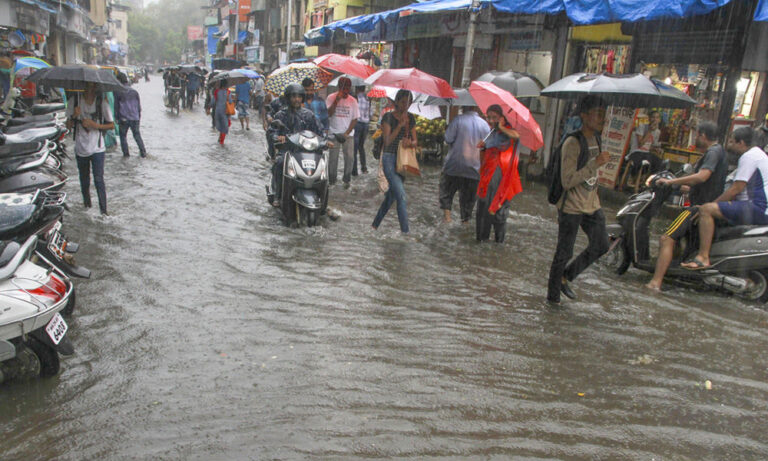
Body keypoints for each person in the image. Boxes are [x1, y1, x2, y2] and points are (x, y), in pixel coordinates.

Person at [645, 121, 727, 290]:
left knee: (666, 238)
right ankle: (669, 274)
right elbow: (705, 182)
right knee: (676, 241)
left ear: (703, 135)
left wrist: (671, 181)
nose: (696, 138)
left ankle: (655, 282)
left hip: (697, 208)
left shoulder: (712, 152)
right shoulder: (719, 151)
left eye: (697, 134)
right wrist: (679, 186)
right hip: (704, 205)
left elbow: (702, 176)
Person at [546, 96, 611, 304]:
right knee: (564, 252)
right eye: (598, 113)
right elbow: (567, 180)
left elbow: (592, 177)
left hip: (591, 205)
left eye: (604, 114)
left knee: (601, 244)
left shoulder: (597, 139)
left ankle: (567, 276)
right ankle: (552, 299)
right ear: (584, 115)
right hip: (571, 207)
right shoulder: (573, 143)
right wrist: (595, 164)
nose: (602, 118)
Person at [681, 127, 768, 270]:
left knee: (707, 210)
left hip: (757, 207)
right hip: (758, 207)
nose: (729, 145)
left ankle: (703, 257)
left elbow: (736, 188)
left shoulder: (749, 157)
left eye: (732, 141)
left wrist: (712, 204)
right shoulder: (760, 155)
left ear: (741, 143)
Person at [267, 84, 323, 206]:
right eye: (293, 96)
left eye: (299, 96)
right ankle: (277, 194)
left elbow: (320, 132)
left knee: (321, 166)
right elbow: (272, 132)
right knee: (279, 163)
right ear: (288, 98)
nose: (296, 99)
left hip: (306, 152)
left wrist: (326, 141)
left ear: (302, 98)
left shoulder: (309, 115)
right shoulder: (280, 115)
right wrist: (278, 137)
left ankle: (322, 198)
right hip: (287, 151)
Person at [65, 82, 115, 215]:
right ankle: (87, 206)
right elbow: (67, 127)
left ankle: (104, 212)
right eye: (88, 86)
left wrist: (94, 124)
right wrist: (74, 116)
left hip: (98, 148)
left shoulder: (101, 103)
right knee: (84, 179)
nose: (90, 89)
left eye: (93, 87)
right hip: (81, 147)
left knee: (99, 179)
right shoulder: (74, 101)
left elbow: (111, 125)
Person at [372, 90, 417, 233]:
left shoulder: (411, 119)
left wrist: (410, 142)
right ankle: (406, 233)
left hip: (402, 161)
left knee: (391, 196)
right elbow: (387, 141)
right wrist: (399, 126)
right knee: (401, 196)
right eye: (403, 102)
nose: (406, 105)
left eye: (408, 102)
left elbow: (416, 141)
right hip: (389, 159)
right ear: (396, 101)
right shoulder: (387, 117)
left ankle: (374, 226)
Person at [475, 105, 521, 242]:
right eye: (488, 117)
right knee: (483, 210)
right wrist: (482, 149)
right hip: (487, 178)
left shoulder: (507, 131)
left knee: (498, 213)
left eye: (494, 117)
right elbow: (483, 161)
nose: (490, 120)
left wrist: (501, 127)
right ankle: (481, 242)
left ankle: (497, 244)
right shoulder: (491, 133)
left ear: (501, 118)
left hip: (502, 179)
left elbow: (516, 136)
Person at [440, 106, 490, 224]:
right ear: (477, 108)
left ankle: (447, 218)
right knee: (468, 201)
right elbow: (487, 147)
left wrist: (448, 128)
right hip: (474, 169)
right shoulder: (485, 125)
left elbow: (448, 139)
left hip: (453, 166)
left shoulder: (458, 120)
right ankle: (465, 221)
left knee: (446, 192)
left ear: (464, 107)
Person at [326, 77, 359, 188]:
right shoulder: (331, 98)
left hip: (348, 135)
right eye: (344, 88)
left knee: (350, 158)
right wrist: (336, 100)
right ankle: (332, 181)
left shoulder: (353, 101)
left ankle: (346, 180)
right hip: (333, 133)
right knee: (333, 159)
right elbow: (328, 114)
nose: (346, 90)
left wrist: (347, 133)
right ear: (339, 87)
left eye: (348, 88)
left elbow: (355, 119)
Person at [114, 73, 147, 158]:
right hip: (135, 118)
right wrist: (138, 117)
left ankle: (126, 155)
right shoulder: (134, 92)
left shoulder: (118, 92)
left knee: (123, 137)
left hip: (124, 118)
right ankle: (143, 153)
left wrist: (116, 118)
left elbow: (116, 107)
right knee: (137, 136)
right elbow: (138, 107)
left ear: (119, 81)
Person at [353, 85, 371, 175]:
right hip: (366, 125)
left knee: (354, 148)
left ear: (357, 89)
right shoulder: (368, 99)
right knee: (361, 147)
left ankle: (354, 171)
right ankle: (364, 168)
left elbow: (354, 113)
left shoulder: (356, 98)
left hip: (358, 124)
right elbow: (370, 113)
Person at [213, 80, 231, 145]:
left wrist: (209, 107)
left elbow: (213, 101)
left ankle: (220, 138)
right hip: (225, 111)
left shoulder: (217, 91)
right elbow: (230, 101)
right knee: (225, 126)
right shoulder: (228, 92)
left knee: (220, 125)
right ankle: (222, 142)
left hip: (218, 111)